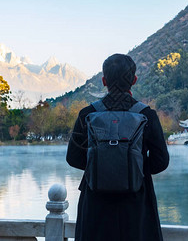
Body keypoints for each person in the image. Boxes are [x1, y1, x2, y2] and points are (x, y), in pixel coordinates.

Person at [66, 53, 170, 241]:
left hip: (95, 205)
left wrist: (102, 166)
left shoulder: (87, 114)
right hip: (137, 205)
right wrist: (135, 166)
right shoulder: (147, 115)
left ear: (104, 80)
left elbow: (72, 158)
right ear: (134, 80)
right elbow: (161, 162)